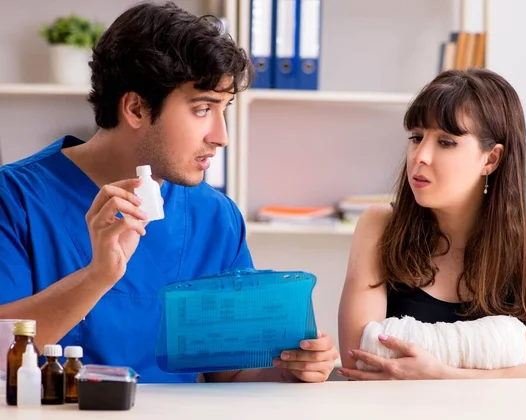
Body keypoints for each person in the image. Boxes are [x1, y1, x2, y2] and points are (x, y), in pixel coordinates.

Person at [0, 2, 338, 384]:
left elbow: (227, 370)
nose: (221, 136)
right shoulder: (14, 199)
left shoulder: (215, 216)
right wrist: (97, 276)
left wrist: (292, 367)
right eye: (202, 109)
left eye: (224, 108)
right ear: (136, 108)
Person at [337, 68, 526, 380]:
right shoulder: (380, 225)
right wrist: (505, 353)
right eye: (416, 137)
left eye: (446, 142)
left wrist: (441, 375)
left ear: (491, 159)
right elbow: (361, 358)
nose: (420, 156)